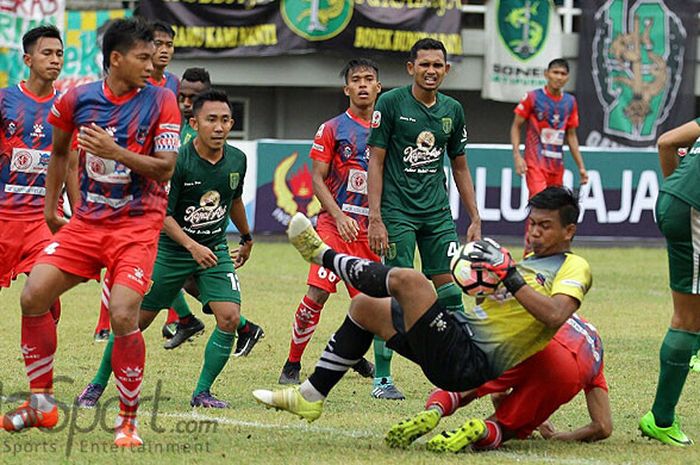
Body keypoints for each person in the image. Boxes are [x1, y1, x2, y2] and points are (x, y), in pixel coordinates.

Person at [253, 186, 592, 428]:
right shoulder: (529, 263)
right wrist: (483, 278)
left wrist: (509, 275)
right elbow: (495, 312)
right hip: (460, 336)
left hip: (469, 362)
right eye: (531, 224)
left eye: (544, 226)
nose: (533, 233)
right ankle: (310, 396)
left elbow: (554, 315)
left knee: (412, 282)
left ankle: (322, 255)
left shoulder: (573, 268)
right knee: (365, 307)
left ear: (569, 230)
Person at [2, 18, 181, 447]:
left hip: (138, 225)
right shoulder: (76, 100)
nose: (151, 61)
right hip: (88, 224)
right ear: (116, 59)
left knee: (122, 313)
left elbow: (165, 167)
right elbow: (60, 152)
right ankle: (42, 404)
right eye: (142, 55)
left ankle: (127, 421)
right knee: (34, 295)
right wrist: (52, 212)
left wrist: (114, 151)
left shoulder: (162, 101)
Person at [76, 89, 253, 409]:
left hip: (213, 249)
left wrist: (246, 235)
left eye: (225, 120)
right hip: (169, 252)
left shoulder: (237, 159)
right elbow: (162, 215)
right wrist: (190, 245)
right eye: (211, 119)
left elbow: (234, 199)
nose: (219, 127)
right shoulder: (179, 162)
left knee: (229, 318)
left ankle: (202, 393)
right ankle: (96, 385)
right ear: (194, 122)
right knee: (132, 322)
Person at [366, 38, 481, 399]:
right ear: (410, 67)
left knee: (450, 292)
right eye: (425, 64)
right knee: (398, 292)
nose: (431, 71)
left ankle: (459, 367)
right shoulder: (390, 103)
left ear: (446, 69)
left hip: (437, 214)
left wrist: (474, 216)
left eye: (438, 65)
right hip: (397, 214)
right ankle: (382, 378)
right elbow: (376, 161)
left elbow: (459, 166)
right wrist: (375, 217)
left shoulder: (453, 110)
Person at [277, 58, 381, 389]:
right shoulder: (332, 128)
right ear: (346, 88)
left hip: (369, 232)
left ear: (379, 87)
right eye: (356, 80)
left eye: (369, 79)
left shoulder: (388, 129)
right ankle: (292, 364)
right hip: (333, 228)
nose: (363, 84)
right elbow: (317, 178)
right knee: (317, 293)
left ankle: (350, 356)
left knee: (371, 307)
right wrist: (337, 216)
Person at [384, 313, 611, 452]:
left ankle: (435, 409)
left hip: (534, 340)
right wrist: (561, 436)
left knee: (469, 382)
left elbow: (499, 393)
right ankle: (482, 429)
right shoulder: (595, 352)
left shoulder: (559, 313)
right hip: (570, 371)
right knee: (504, 427)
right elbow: (602, 426)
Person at [93, 19, 181, 341]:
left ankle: (176, 317)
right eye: (156, 45)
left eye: (168, 45)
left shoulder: (172, 85)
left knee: (158, 251)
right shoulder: (120, 88)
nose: (162, 51)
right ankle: (107, 322)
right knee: (124, 252)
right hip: (121, 180)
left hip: (159, 173)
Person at [0, 26, 71, 325]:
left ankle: (40, 370)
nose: (55, 60)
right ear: (28, 60)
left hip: (44, 217)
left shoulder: (68, 105)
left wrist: (79, 215)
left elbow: (73, 164)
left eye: (59, 54)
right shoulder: (5, 100)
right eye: (47, 53)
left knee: (46, 297)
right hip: (3, 215)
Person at [638, 118, 700, 446]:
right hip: (693, 211)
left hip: (675, 198)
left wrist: (674, 190)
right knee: (686, 319)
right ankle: (660, 419)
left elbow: (666, 142)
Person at [510, 58, 587, 252]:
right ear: (546, 74)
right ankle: (529, 254)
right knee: (539, 207)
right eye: (555, 73)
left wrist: (581, 167)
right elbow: (516, 126)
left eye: (562, 74)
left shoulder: (570, 102)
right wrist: (518, 156)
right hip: (535, 163)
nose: (558, 77)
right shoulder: (533, 98)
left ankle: (552, 252)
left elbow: (571, 135)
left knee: (556, 211)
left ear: (567, 77)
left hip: (556, 166)